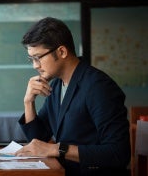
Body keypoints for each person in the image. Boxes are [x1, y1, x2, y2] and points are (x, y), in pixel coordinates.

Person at [15, 17, 130, 176]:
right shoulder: (56, 85)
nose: (35, 65)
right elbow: (38, 140)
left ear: (61, 52)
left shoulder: (99, 87)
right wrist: (28, 102)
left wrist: (57, 149)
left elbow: (118, 153)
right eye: (31, 59)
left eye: (38, 57)